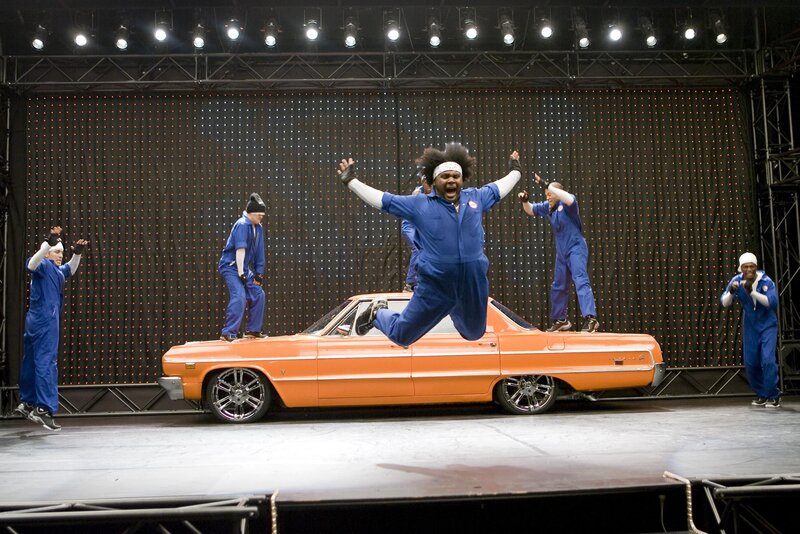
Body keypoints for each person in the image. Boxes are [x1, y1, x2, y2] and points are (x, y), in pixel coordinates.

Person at [337, 143, 522, 347]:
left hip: (472, 284)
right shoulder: (420, 204)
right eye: (445, 176)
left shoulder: (477, 197)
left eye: (456, 176)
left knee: (474, 333)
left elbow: (502, 186)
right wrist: (352, 182)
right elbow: (384, 201)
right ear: (434, 181)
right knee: (401, 336)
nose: (451, 180)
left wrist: (516, 170)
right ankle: (377, 313)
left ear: (462, 180)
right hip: (436, 286)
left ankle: (454, 306)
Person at [15, 226, 89, 431]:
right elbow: (31, 264)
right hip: (46, 321)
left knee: (31, 361)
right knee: (46, 363)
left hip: (35, 320)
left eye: (61, 253)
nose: (60, 255)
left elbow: (69, 270)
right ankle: (43, 409)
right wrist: (47, 244)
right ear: (47, 253)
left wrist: (76, 254)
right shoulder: (43, 265)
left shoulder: (56, 271)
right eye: (56, 252)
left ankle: (27, 402)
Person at [519, 174, 599, 333]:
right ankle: (561, 320)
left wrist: (545, 184)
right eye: (546, 194)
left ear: (557, 193)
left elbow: (568, 197)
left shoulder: (568, 204)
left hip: (576, 248)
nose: (547, 197)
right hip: (562, 252)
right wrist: (525, 201)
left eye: (550, 194)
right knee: (559, 286)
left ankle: (591, 319)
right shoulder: (548, 207)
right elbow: (531, 210)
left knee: (580, 280)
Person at [720, 252, 780, 407]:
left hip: (767, 325)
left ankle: (773, 395)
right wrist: (731, 292)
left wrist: (752, 292)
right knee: (751, 362)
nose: (749, 270)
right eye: (745, 267)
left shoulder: (766, 281)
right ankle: (762, 394)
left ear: (756, 267)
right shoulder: (737, 280)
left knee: (767, 360)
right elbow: (725, 302)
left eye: (752, 266)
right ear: (741, 269)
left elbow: (772, 302)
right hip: (751, 326)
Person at [219, 193, 267, 341]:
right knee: (239, 296)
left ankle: (253, 330)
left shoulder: (258, 227)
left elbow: (259, 252)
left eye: (262, 215)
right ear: (251, 213)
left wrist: (259, 273)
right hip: (231, 267)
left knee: (258, 294)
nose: (261, 217)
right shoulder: (242, 225)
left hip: (243, 268)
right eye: (259, 215)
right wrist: (241, 273)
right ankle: (228, 332)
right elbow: (240, 250)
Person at [401, 175, 432, 292]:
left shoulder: (437, 193)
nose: (429, 186)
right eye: (426, 183)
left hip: (422, 226)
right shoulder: (417, 193)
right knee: (418, 247)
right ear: (423, 183)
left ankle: (422, 282)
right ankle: (410, 283)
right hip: (410, 226)